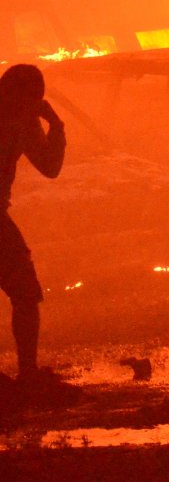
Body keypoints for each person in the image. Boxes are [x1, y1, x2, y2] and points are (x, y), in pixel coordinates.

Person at [0, 64, 66, 386]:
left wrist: (55, 125)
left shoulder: (25, 122)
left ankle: (27, 373)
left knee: (25, 292)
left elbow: (50, 166)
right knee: (25, 291)